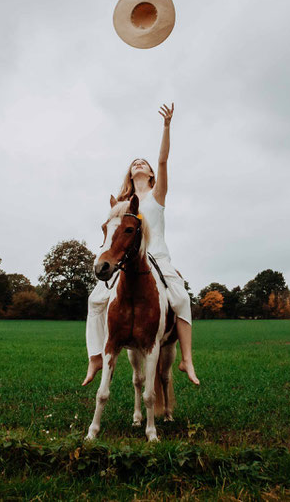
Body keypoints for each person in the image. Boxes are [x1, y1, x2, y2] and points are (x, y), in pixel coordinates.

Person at [82, 102, 200, 387]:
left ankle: (187, 359)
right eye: (134, 162)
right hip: (129, 261)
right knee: (95, 301)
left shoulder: (157, 196)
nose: (139, 164)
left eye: (143, 163)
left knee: (181, 298)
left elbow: (163, 160)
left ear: (149, 174)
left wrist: (167, 127)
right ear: (130, 173)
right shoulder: (124, 205)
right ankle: (95, 357)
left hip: (158, 258)